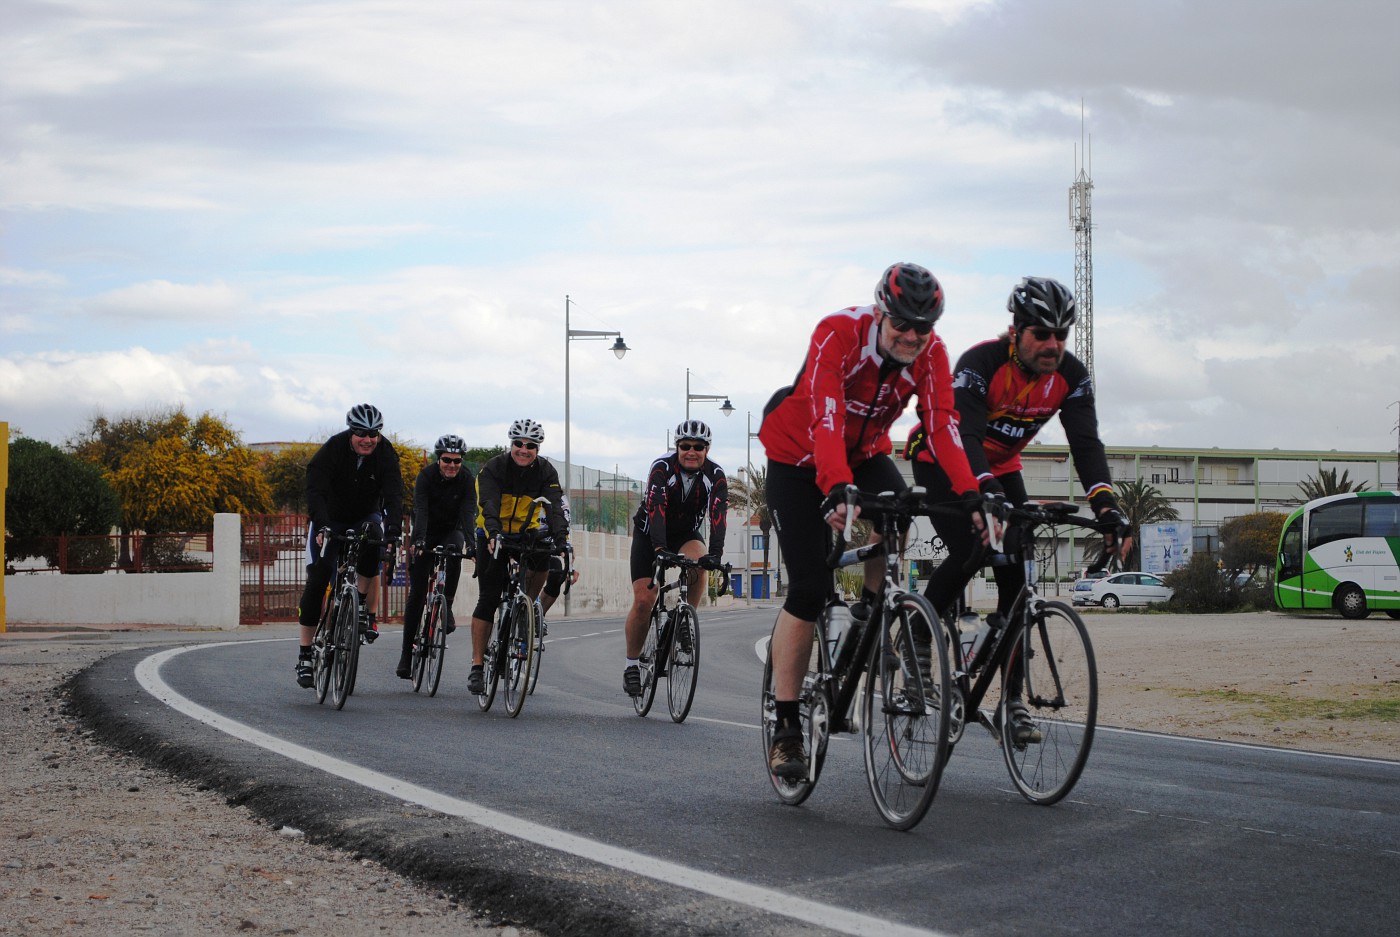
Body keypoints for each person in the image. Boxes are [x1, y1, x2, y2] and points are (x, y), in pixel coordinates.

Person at [758, 262, 987, 779]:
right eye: (901, 323)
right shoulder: (837, 333)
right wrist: (835, 484)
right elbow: (826, 415)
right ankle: (787, 724)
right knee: (810, 588)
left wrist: (971, 495)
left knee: (899, 509)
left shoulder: (930, 354)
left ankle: (871, 611)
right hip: (799, 459)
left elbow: (944, 427)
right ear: (881, 311)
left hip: (863, 454)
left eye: (922, 328)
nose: (911, 336)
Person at [908, 275, 1131, 743]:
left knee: (1017, 577)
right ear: (1015, 332)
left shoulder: (1070, 376)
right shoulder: (980, 363)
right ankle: (918, 635)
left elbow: (1086, 444)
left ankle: (1011, 702)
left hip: (1002, 465)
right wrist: (984, 491)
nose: (1053, 345)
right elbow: (964, 434)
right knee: (976, 543)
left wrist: (1107, 505)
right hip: (943, 459)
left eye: (1060, 335)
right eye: (1041, 334)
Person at [294, 403, 404, 688]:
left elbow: (393, 494)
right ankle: (305, 654)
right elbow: (315, 490)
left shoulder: (386, 453)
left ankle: (361, 610)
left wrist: (394, 530)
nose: (367, 439)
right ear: (350, 431)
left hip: (364, 515)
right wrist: (321, 524)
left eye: (373, 434)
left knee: (374, 537)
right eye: (360, 433)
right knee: (318, 580)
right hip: (330, 517)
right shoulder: (333, 448)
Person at [621, 420, 729, 697]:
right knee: (645, 600)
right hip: (650, 534)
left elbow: (718, 516)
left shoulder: (715, 476)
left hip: (685, 533)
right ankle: (631, 664)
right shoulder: (662, 468)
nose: (691, 452)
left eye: (698, 447)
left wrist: (715, 554)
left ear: (707, 449)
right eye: (685, 446)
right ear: (677, 447)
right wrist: (658, 548)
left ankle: (684, 621)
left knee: (700, 564)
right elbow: (656, 508)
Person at [465, 418, 569, 695]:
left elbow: (555, 507)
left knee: (544, 561)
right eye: (518, 444)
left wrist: (561, 541)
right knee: (488, 597)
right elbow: (488, 504)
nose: (524, 449)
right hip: (491, 532)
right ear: (510, 444)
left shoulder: (546, 472)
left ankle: (526, 612)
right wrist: (492, 535)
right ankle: (477, 666)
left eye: (531, 446)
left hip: (526, 533)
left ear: (538, 448)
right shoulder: (493, 468)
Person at [397, 434, 478, 679]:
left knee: (455, 550)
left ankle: (448, 607)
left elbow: (468, 513)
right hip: (427, 532)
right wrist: (419, 539)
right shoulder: (426, 476)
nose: (452, 465)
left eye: (457, 461)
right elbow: (420, 508)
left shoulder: (466, 479)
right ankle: (405, 654)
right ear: (438, 459)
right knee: (418, 593)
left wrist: (472, 546)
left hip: (451, 530)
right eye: (446, 460)